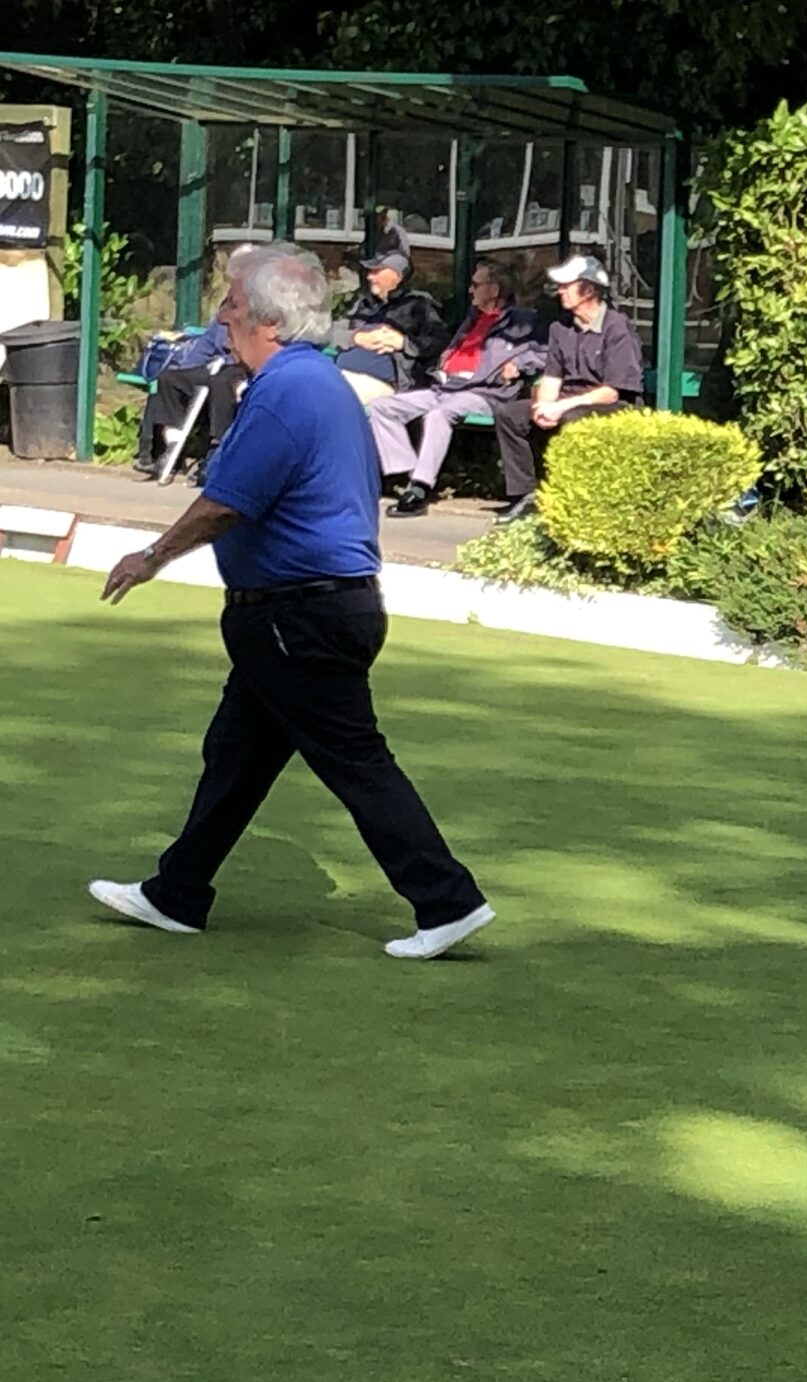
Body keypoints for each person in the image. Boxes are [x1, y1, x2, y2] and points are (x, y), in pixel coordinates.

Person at [85, 244, 494, 962]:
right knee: (236, 755)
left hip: (297, 613)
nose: (224, 317)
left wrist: (150, 557)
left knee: (354, 761)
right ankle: (177, 891)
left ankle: (447, 899)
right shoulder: (312, 381)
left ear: (270, 322)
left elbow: (226, 503)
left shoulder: (287, 390)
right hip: (308, 609)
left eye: (234, 306)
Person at [372, 260, 547, 515]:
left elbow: (546, 353)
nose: (470, 290)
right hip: (445, 387)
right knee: (382, 407)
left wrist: (519, 364)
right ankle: (406, 473)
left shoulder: (522, 320)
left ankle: (420, 487)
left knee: (439, 415)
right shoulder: (472, 319)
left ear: (495, 289)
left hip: (483, 392)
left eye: (476, 285)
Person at [488, 254, 643, 524]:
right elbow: (552, 377)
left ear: (589, 290)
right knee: (509, 414)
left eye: (566, 285)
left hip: (611, 405)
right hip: (568, 400)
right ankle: (525, 497)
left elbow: (612, 391)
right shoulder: (560, 328)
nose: (559, 290)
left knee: (571, 418)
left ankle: (575, 499)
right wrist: (543, 407)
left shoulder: (618, 327)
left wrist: (559, 407)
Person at [131, 247, 258, 478]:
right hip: (215, 365)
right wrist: (187, 366)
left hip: (241, 366)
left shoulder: (259, 306)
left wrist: (228, 361)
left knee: (222, 383)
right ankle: (168, 449)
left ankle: (216, 453)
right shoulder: (228, 304)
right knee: (169, 379)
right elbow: (207, 342)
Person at [329, 246, 449, 403]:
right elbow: (328, 332)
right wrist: (355, 337)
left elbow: (440, 343)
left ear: (397, 276)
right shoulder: (364, 305)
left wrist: (404, 343)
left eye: (376, 271)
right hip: (341, 373)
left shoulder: (418, 306)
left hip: (385, 384)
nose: (369, 277)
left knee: (335, 394)